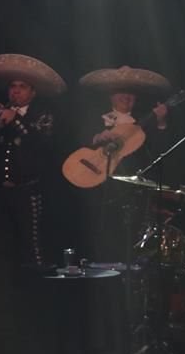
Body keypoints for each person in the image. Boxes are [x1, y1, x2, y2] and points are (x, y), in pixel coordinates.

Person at [0, 54, 65, 309]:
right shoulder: (0, 113)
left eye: (21, 88)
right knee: (1, 245)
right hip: (1, 192)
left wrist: (18, 122)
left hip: (29, 190)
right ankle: (4, 300)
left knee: (32, 245)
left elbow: (44, 144)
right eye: (13, 88)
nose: (15, 92)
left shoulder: (43, 115)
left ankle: (35, 301)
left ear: (32, 93)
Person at [72, 66, 172, 260]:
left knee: (127, 242)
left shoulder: (144, 123)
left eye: (130, 93)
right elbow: (79, 140)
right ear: (111, 96)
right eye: (120, 92)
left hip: (131, 193)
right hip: (98, 187)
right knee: (99, 238)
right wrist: (97, 136)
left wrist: (161, 122)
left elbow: (161, 151)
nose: (125, 96)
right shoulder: (96, 118)